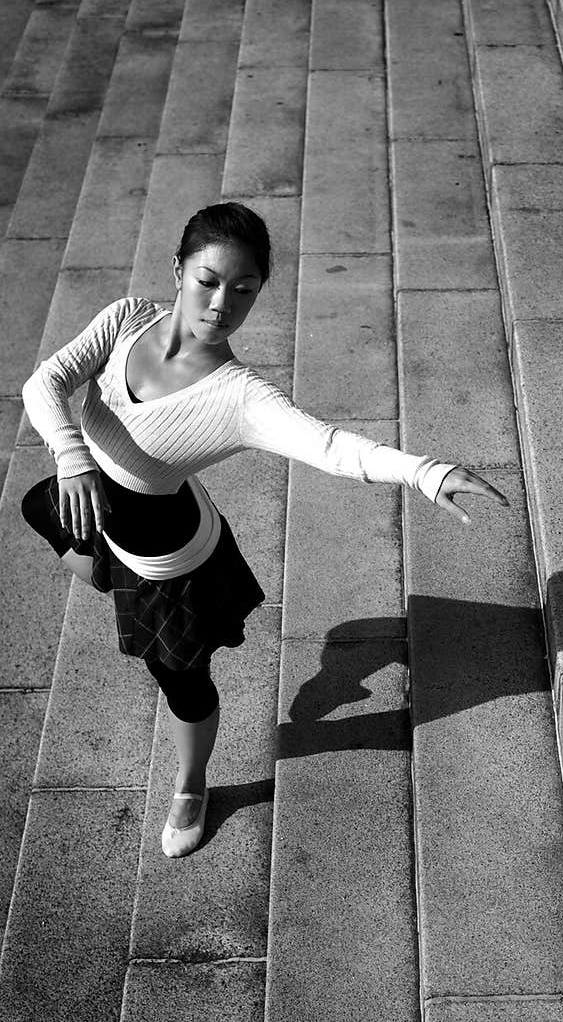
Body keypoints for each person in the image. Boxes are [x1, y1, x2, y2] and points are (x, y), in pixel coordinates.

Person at [20, 202, 508, 859]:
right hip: (94, 504)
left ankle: (191, 786)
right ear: (179, 270)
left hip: (171, 556)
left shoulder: (243, 398)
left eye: (244, 290)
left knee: (180, 683)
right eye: (208, 280)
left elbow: (335, 447)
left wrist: (427, 472)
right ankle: (108, 566)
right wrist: (73, 458)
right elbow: (44, 381)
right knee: (37, 506)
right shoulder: (126, 318)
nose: (222, 303)